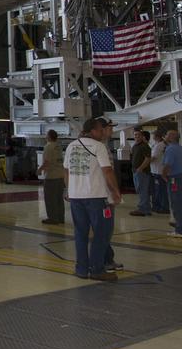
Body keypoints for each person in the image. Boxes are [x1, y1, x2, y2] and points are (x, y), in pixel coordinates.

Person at [64, 117, 120, 280]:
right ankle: (97, 269)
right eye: (101, 130)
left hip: (76, 197)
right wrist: (115, 191)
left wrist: (69, 190)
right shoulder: (99, 146)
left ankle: (81, 269)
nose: (103, 133)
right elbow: (107, 171)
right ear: (93, 131)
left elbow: (66, 171)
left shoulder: (71, 146)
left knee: (80, 234)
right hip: (96, 196)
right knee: (102, 233)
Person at [162, 129, 182, 238]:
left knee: (177, 204)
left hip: (175, 178)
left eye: (166, 134)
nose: (164, 136)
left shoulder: (170, 149)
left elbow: (168, 165)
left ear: (170, 137)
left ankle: (180, 230)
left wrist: (164, 175)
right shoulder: (181, 149)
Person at [39, 129, 66, 224]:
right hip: (60, 175)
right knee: (59, 198)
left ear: (49, 137)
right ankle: (60, 217)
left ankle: (53, 218)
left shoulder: (48, 147)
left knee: (50, 198)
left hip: (51, 176)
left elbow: (47, 162)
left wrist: (39, 170)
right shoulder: (58, 146)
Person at [129, 129, 152, 216]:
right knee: (140, 190)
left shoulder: (144, 146)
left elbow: (148, 159)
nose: (136, 137)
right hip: (135, 171)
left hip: (142, 172)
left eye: (138, 135)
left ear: (142, 136)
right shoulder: (135, 146)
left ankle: (143, 209)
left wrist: (141, 168)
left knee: (143, 190)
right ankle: (146, 208)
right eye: (135, 135)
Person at [149, 126, 169, 214]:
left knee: (161, 190)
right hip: (158, 170)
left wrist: (144, 163)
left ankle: (164, 207)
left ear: (156, 136)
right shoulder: (160, 145)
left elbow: (153, 157)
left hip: (158, 171)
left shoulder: (159, 146)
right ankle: (160, 206)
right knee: (160, 190)